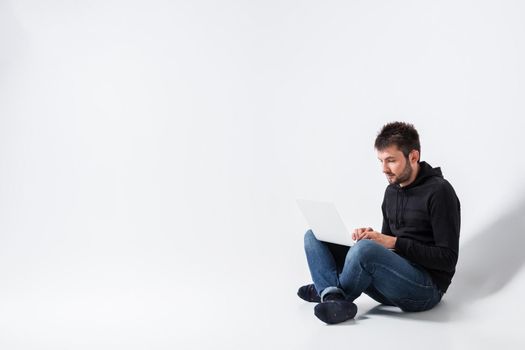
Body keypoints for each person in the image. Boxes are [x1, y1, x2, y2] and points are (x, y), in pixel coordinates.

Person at [298, 121, 461, 324]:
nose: (384, 169)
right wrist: (374, 238)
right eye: (381, 161)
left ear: (413, 156)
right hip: (392, 283)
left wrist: (388, 243)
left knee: (364, 250)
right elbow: (388, 250)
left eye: (391, 160)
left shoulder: (440, 192)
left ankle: (329, 290)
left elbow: (448, 259)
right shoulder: (391, 191)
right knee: (315, 235)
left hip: (426, 289)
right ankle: (331, 293)